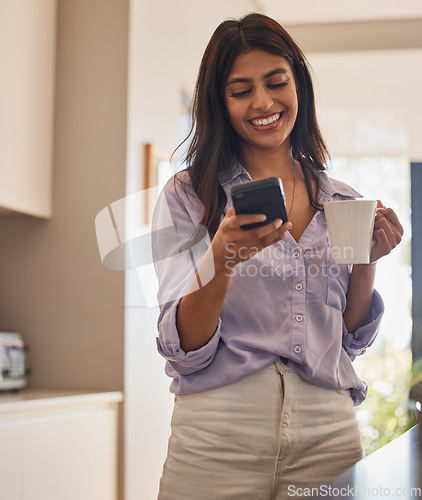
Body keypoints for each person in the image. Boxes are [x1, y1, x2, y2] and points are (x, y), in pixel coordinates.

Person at [151, 12, 403, 500]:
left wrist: (367, 262)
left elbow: (347, 339)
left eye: (276, 82)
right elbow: (185, 346)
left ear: (298, 86)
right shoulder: (190, 195)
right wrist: (222, 258)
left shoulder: (342, 200)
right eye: (240, 89)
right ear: (219, 103)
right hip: (220, 430)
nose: (263, 102)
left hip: (328, 428)